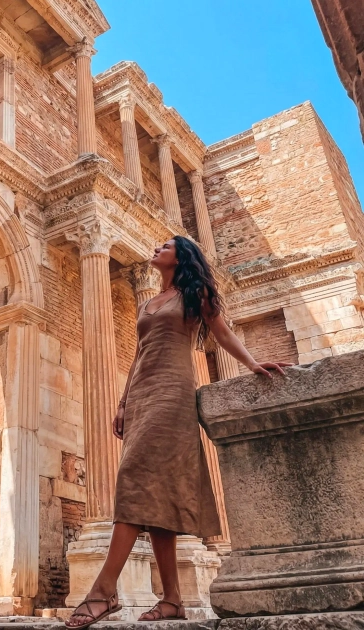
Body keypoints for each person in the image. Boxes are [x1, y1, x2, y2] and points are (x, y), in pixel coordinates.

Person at [65, 236, 291, 627]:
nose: (156, 248)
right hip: (142, 394)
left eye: (165, 245)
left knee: (134, 481)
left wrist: (252, 363)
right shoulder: (148, 301)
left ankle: (103, 591)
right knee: (158, 496)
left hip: (172, 394)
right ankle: (172, 600)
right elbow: (138, 356)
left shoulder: (195, 292)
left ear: (181, 257)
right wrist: (122, 403)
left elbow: (221, 334)